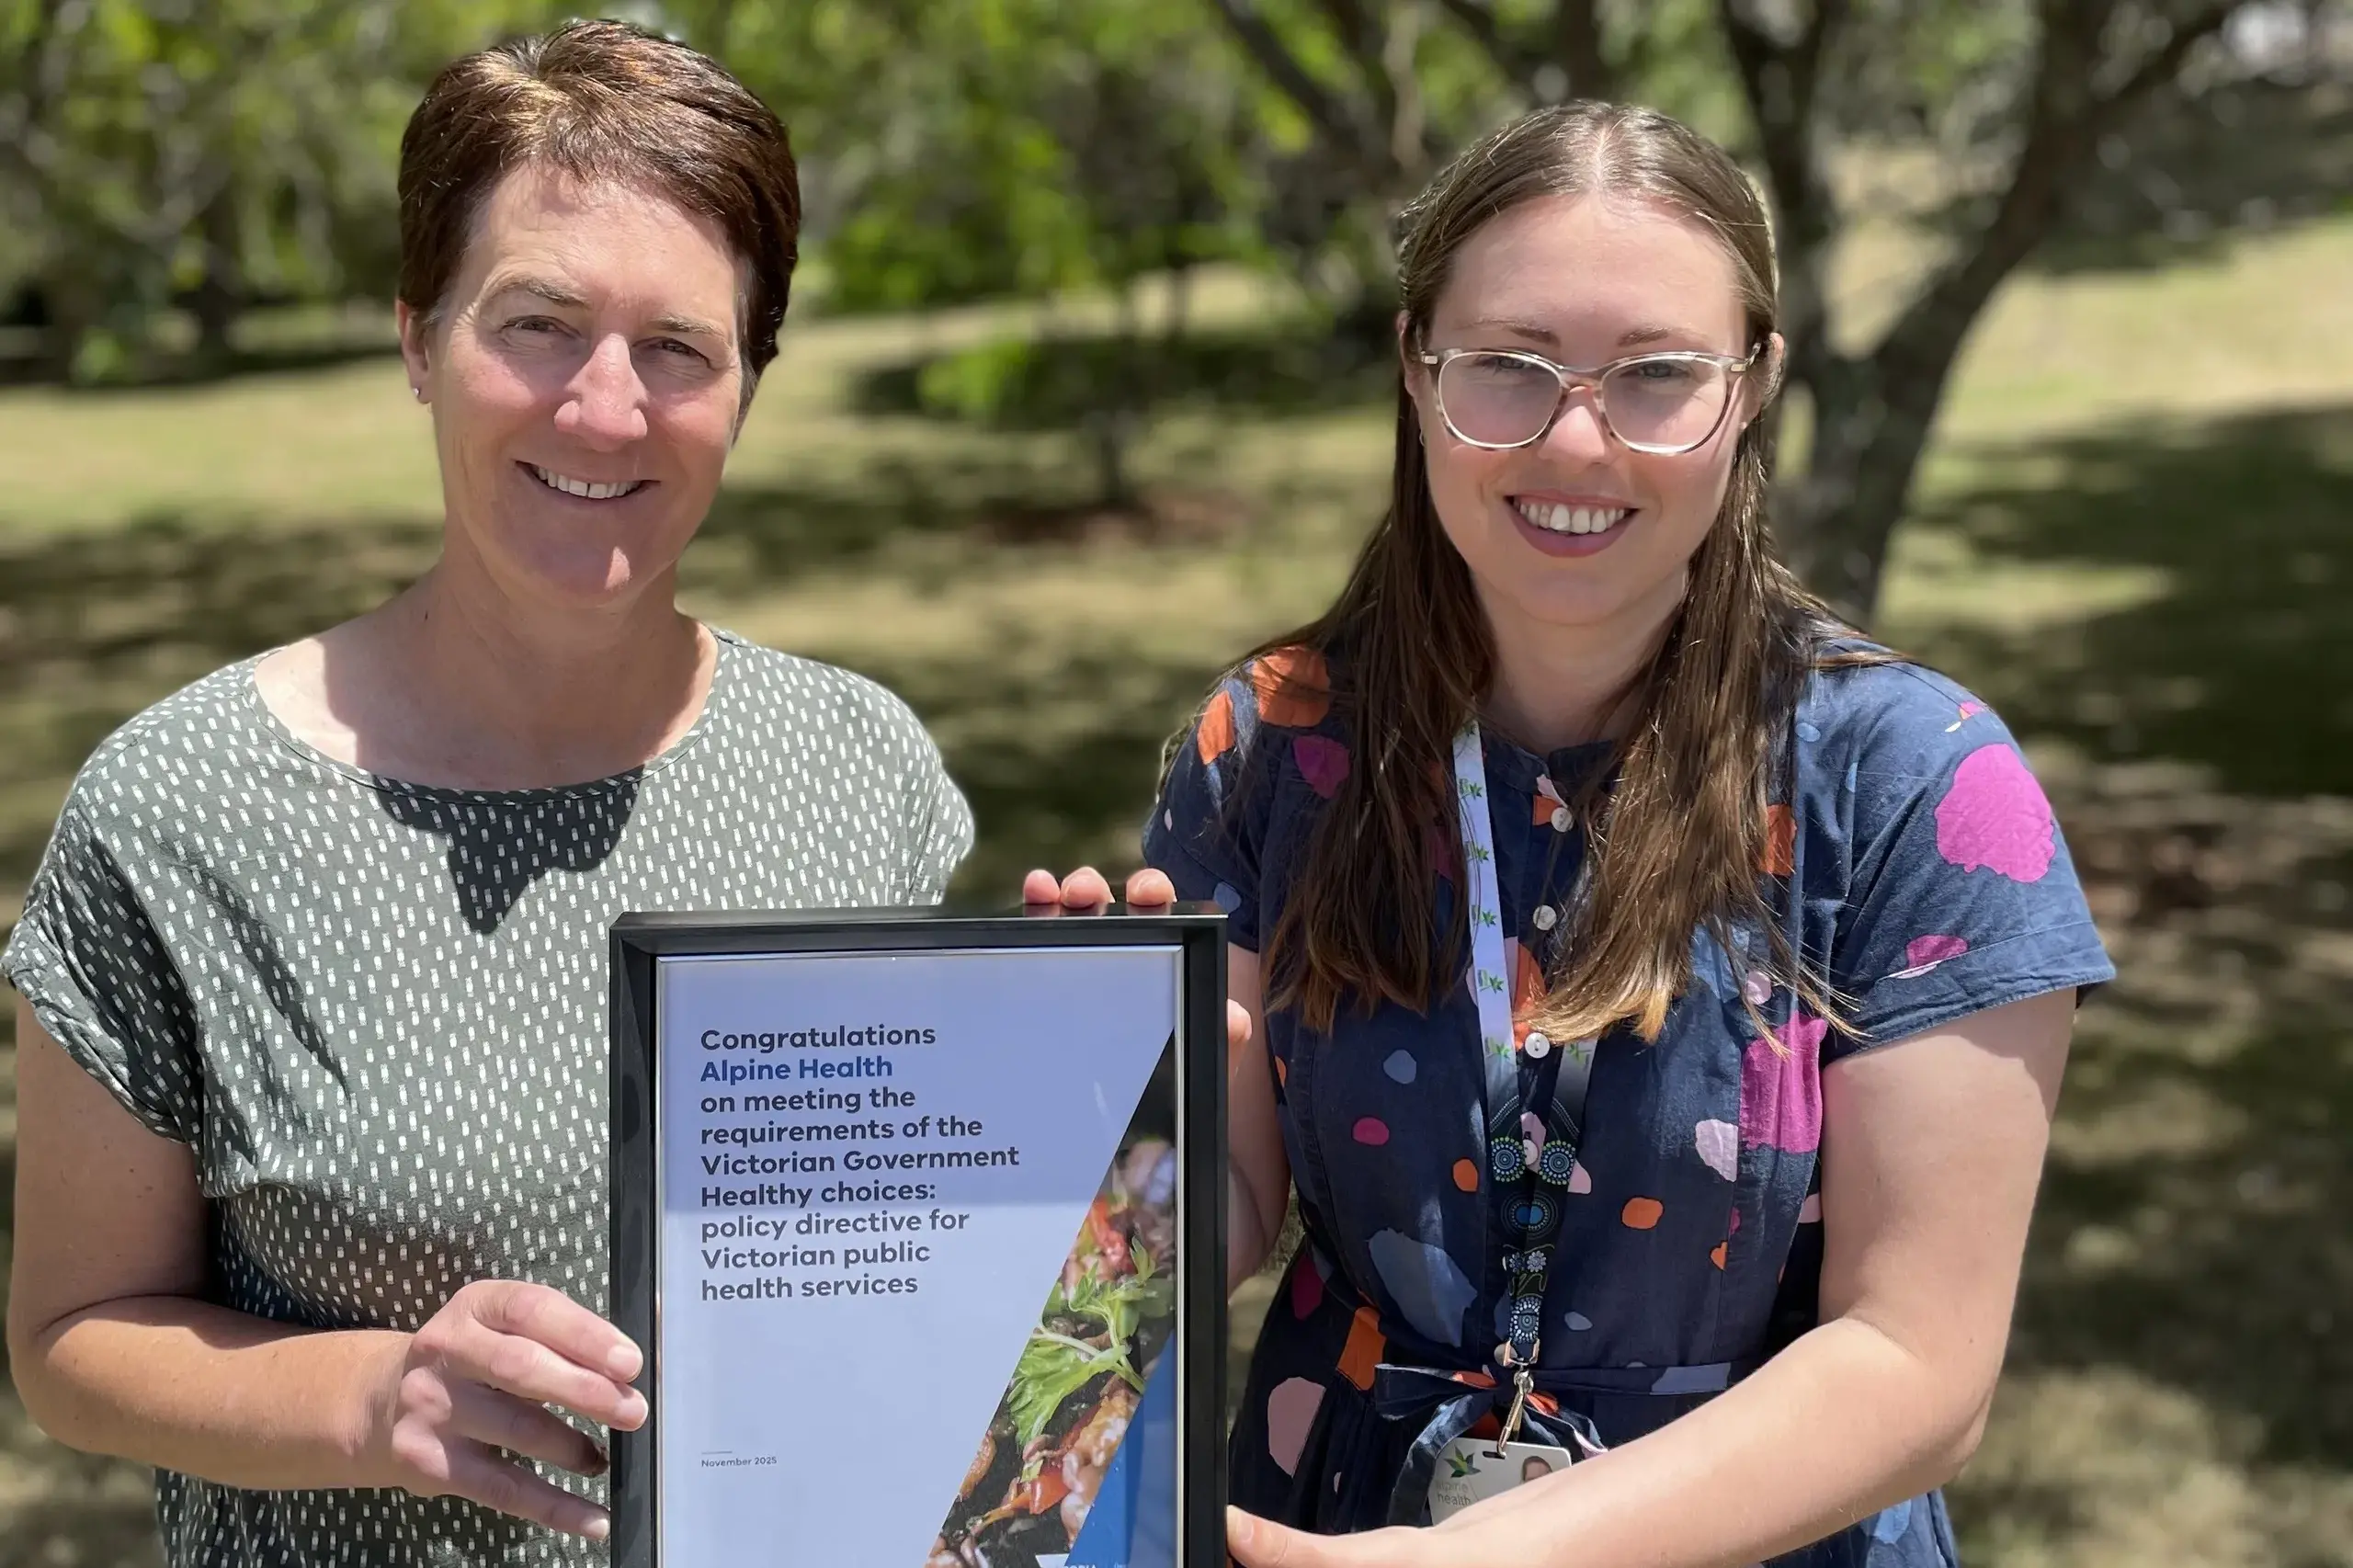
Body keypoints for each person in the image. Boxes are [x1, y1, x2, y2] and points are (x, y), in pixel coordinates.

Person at [1038, 101, 2112, 1567]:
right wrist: (1098, 1140)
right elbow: (1203, 1220)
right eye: (1509, 368)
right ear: (1418, 372)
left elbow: (1918, 1364)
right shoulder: (1274, 743)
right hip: (1334, 1510)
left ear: (1754, 387)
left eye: (1657, 375)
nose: (1576, 440)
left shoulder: (1923, 786)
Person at [4, 21, 970, 1566]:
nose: (604, 407)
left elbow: (920, 1269)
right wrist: (371, 1392)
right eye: (536, 322)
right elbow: (69, 1334)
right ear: (414, 337)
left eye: (680, 348)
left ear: (749, 386)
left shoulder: (865, 771)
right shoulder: (175, 814)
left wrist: (1124, 1084)